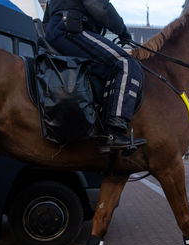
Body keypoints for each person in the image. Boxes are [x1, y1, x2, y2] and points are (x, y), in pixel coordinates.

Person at [43, 0, 146, 149]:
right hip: (71, 28)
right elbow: (99, 6)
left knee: (106, 71)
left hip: (56, 30)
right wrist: (122, 30)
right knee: (126, 63)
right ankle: (113, 133)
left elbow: (46, 19)